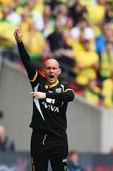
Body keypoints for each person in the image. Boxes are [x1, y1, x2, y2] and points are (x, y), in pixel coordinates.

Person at [14, 28, 75, 171]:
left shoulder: (64, 87)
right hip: (39, 139)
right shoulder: (37, 82)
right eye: (48, 68)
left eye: (54, 68)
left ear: (59, 71)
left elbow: (70, 97)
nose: (51, 71)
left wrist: (46, 95)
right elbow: (27, 62)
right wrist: (19, 43)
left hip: (58, 139)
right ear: (44, 70)